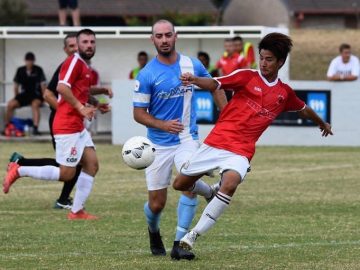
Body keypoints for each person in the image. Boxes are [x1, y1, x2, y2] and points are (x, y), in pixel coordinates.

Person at [172, 32, 333, 256]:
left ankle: (192, 236)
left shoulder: (283, 93)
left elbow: (303, 108)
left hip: (241, 151)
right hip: (217, 142)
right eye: (262, 58)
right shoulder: (247, 76)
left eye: (269, 59)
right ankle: (209, 191)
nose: (264, 63)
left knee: (230, 184)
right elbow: (217, 83)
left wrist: (321, 122)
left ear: (280, 62)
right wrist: (195, 80)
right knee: (179, 183)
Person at [133, 19, 227, 260]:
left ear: (176, 36)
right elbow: (138, 114)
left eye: (168, 35)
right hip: (157, 144)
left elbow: (215, 86)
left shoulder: (190, 64)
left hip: (187, 137)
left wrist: (226, 116)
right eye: (159, 36)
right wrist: (162, 124)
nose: (164, 40)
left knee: (186, 182)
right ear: (152, 40)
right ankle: (154, 230)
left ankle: (179, 243)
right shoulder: (146, 75)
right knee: (156, 205)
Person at [3, 29, 111, 220]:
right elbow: (61, 87)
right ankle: (19, 169)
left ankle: (76, 211)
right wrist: (80, 108)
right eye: (85, 42)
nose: (89, 45)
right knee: (67, 173)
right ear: (77, 45)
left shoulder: (84, 66)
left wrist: (97, 101)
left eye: (92, 42)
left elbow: (81, 90)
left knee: (91, 165)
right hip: (67, 125)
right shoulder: (74, 62)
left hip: (77, 126)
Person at [3, 52, 46, 136]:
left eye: (31, 60)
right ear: (25, 61)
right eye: (28, 60)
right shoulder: (20, 70)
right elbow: (16, 86)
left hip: (36, 94)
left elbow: (43, 85)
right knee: (10, 104)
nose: (29, 62)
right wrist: (16, 97)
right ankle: (7, 127)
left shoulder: (38, 69)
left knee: (35, 104)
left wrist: (44, 98)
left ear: (34, 61)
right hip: (24, 94)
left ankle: (35, 128)